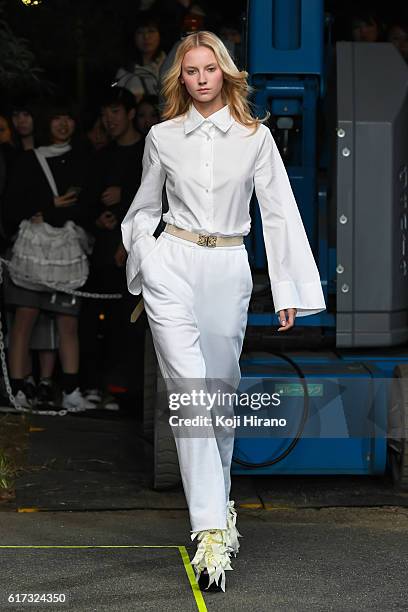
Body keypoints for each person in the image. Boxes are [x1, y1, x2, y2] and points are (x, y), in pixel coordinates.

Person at [121, 31, 326, 592]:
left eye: (211, 68)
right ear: (180, 79)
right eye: (191, 70)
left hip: (229, 268)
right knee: (190, 390)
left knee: (216, 395)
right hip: (174, 264)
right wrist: (149, 258)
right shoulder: (162, 136)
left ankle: (219, 507)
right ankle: (210, 528)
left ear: (225, 73)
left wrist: (287, 289)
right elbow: (142, 208)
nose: (202, 78)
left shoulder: (255, 139)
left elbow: (280, 213)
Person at [3, 101, 95, 413]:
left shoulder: (84, 159)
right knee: (24, 320)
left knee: (68, 323)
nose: (62, 124)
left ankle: (71, 390)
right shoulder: (28, 160)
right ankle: (18, 390)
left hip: (66, 254)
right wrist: (51, 203)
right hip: (32, 253)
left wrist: (49, 208)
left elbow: (87, 205)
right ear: (47, 123)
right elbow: (11, 206)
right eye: (56, 118)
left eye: (67, 117)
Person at [79, 86, 145, 408]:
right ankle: (93, 385)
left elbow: (156, 200)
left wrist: (124, 205)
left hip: (134, 253)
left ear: (130, 113)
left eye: (115, 112)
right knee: (91, 319)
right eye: (105, 113)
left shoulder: (148, 151)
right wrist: (98, 217)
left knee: (127, 322)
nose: (109, 119)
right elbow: (85, 200)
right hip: (102, 250)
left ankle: (127, 390)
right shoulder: (101, 155)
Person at [113, 13, 166, 103]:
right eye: (140, 32)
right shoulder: (125, 71)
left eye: (151, 31)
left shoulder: (170, 65)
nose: (146, 37)